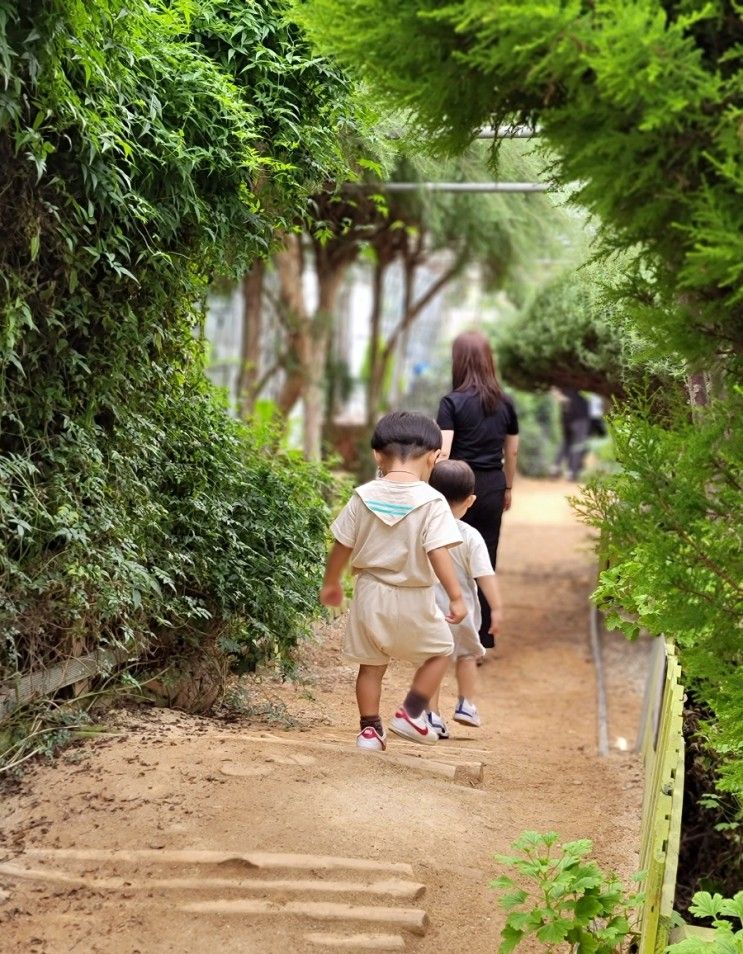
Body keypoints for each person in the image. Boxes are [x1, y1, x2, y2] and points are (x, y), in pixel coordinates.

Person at [319, 411, 467, 751]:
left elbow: (342, 545)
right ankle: (412, 712)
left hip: (370, 594)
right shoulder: (433, 501)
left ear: (376, 455)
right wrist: (456, 596)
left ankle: (370, 731)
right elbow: (438, 552)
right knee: (440, 652)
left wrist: (331, 583)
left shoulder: (362, 496)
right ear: (434, 457)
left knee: (370, 667)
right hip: (414, 596)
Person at [436, 330, 519, 650]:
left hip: (456, 487)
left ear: (458, 361)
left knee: (447, 555)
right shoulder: (506, 403)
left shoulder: (451, 402)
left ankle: (449, 631)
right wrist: (507, 486)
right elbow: (511, 452)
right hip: (492, 485)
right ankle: (482, 639)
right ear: (488, 361)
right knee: (484, 558)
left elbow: (443, 453)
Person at [426, 460, 502, 738]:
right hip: (465, 612)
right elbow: (485, 575)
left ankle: (431, 715)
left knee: (433, 659)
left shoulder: (424, 531)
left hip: (430, 609)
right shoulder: (471, 536)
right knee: (469, 655)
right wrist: (497, 608)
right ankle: (466, 704)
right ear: (470, 500)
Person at [551, 388, 591, 480]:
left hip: (569, 421)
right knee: (578, 445)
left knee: (566, 444)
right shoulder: (575, 395)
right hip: (579, 421)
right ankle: (571, 472)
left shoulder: (566, 393)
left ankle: (556, 468)